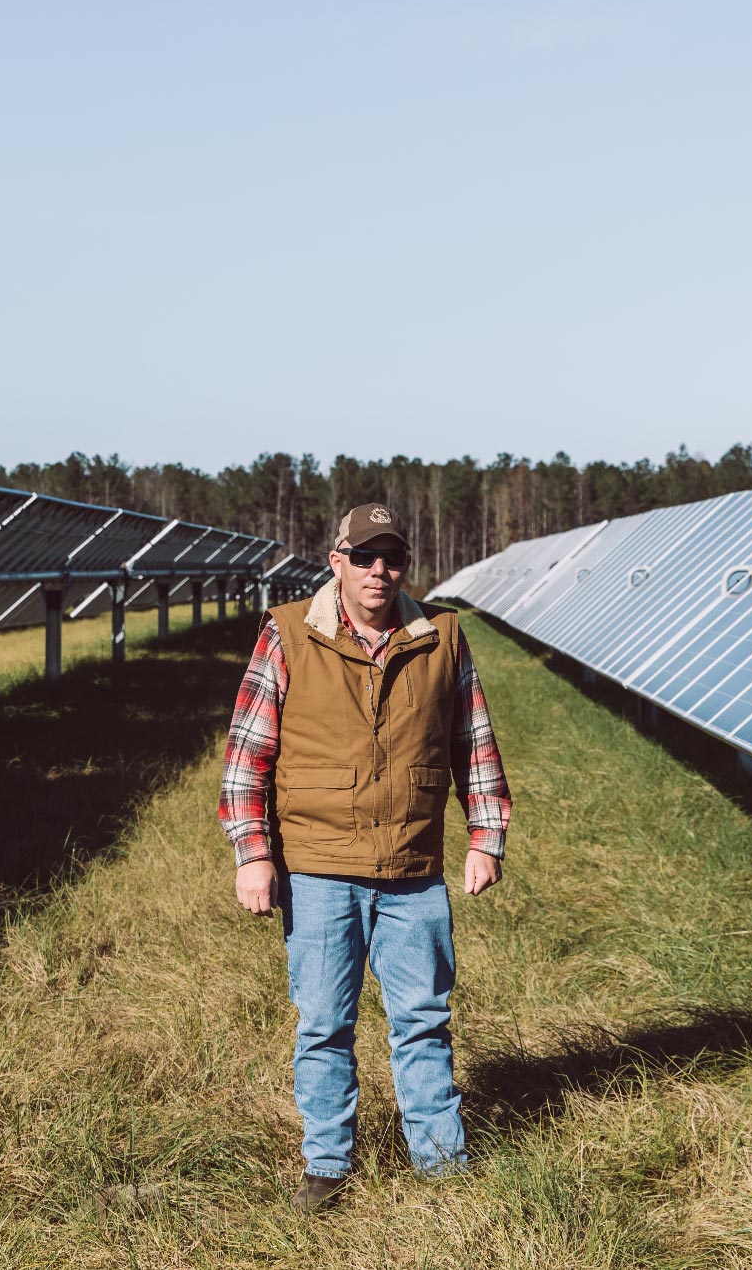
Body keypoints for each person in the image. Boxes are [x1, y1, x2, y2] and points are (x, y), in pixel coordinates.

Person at [219, 503, 512, 1210]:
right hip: (317, 867)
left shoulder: (441, 637)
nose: (380, 571)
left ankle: (441, 1164)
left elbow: (473, 743)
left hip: (413, 871)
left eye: (393, 558)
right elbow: (246, 756)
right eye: (365, 557)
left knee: (424, 1018)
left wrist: (485, 837)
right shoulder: (289, 632)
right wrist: (252, 853)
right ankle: (326, 1165)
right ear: (337, 561)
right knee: (324, 1024)